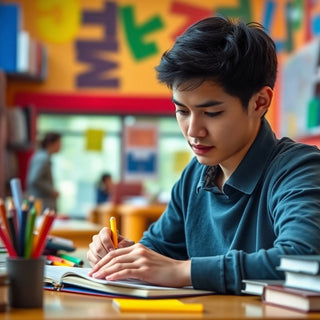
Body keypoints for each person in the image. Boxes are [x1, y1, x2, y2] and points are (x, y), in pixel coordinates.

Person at [87, 16, 320, 294]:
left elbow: (302, 258)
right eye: (182, 111)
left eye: (212, 113)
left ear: (260, 102)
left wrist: (181, 270)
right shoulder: (196, 175)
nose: (193, 131)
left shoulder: (300, 169)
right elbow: (158, 250)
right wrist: (123, 256)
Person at [26, 132, 61, 211]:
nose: (60, 147)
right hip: (41, 203)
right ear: (50, 143)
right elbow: (33, 179)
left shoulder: (43, 156)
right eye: (58, 143)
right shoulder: (43, 158)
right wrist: (51, 191)